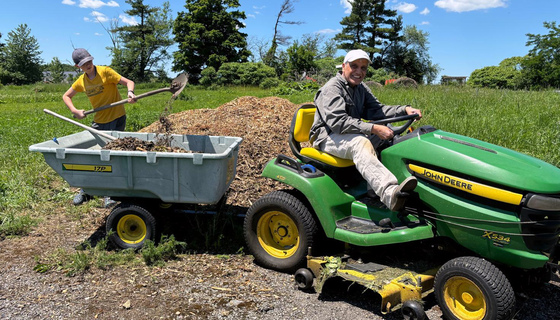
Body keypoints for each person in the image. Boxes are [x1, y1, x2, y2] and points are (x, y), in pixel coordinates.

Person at [310, 49, 422, 212]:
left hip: (348, 133)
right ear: (343, 66)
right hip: (327, 136)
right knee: (360, 143)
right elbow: (338, 123)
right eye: (354, 66)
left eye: (363, 68)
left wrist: (404, 110)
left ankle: (375, 188)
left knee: (390, 134)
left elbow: (378, 110)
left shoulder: (360, 88)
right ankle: (390, 194)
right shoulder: (332, 89)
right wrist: (373, 128)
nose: (359, 71)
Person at [63, 48, 137, 206]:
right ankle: (86, 191)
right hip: (100, 121)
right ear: (78, 67)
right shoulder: (82, 81)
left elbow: (129, 82)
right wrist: (74, 111)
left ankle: (109, 195)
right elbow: (66, 96)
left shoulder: (106, 72)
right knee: (95, 157)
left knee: (111, 156)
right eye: (84, 63)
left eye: (89, 61)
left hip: (117, 118)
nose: (88, 65)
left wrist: (130, 93)